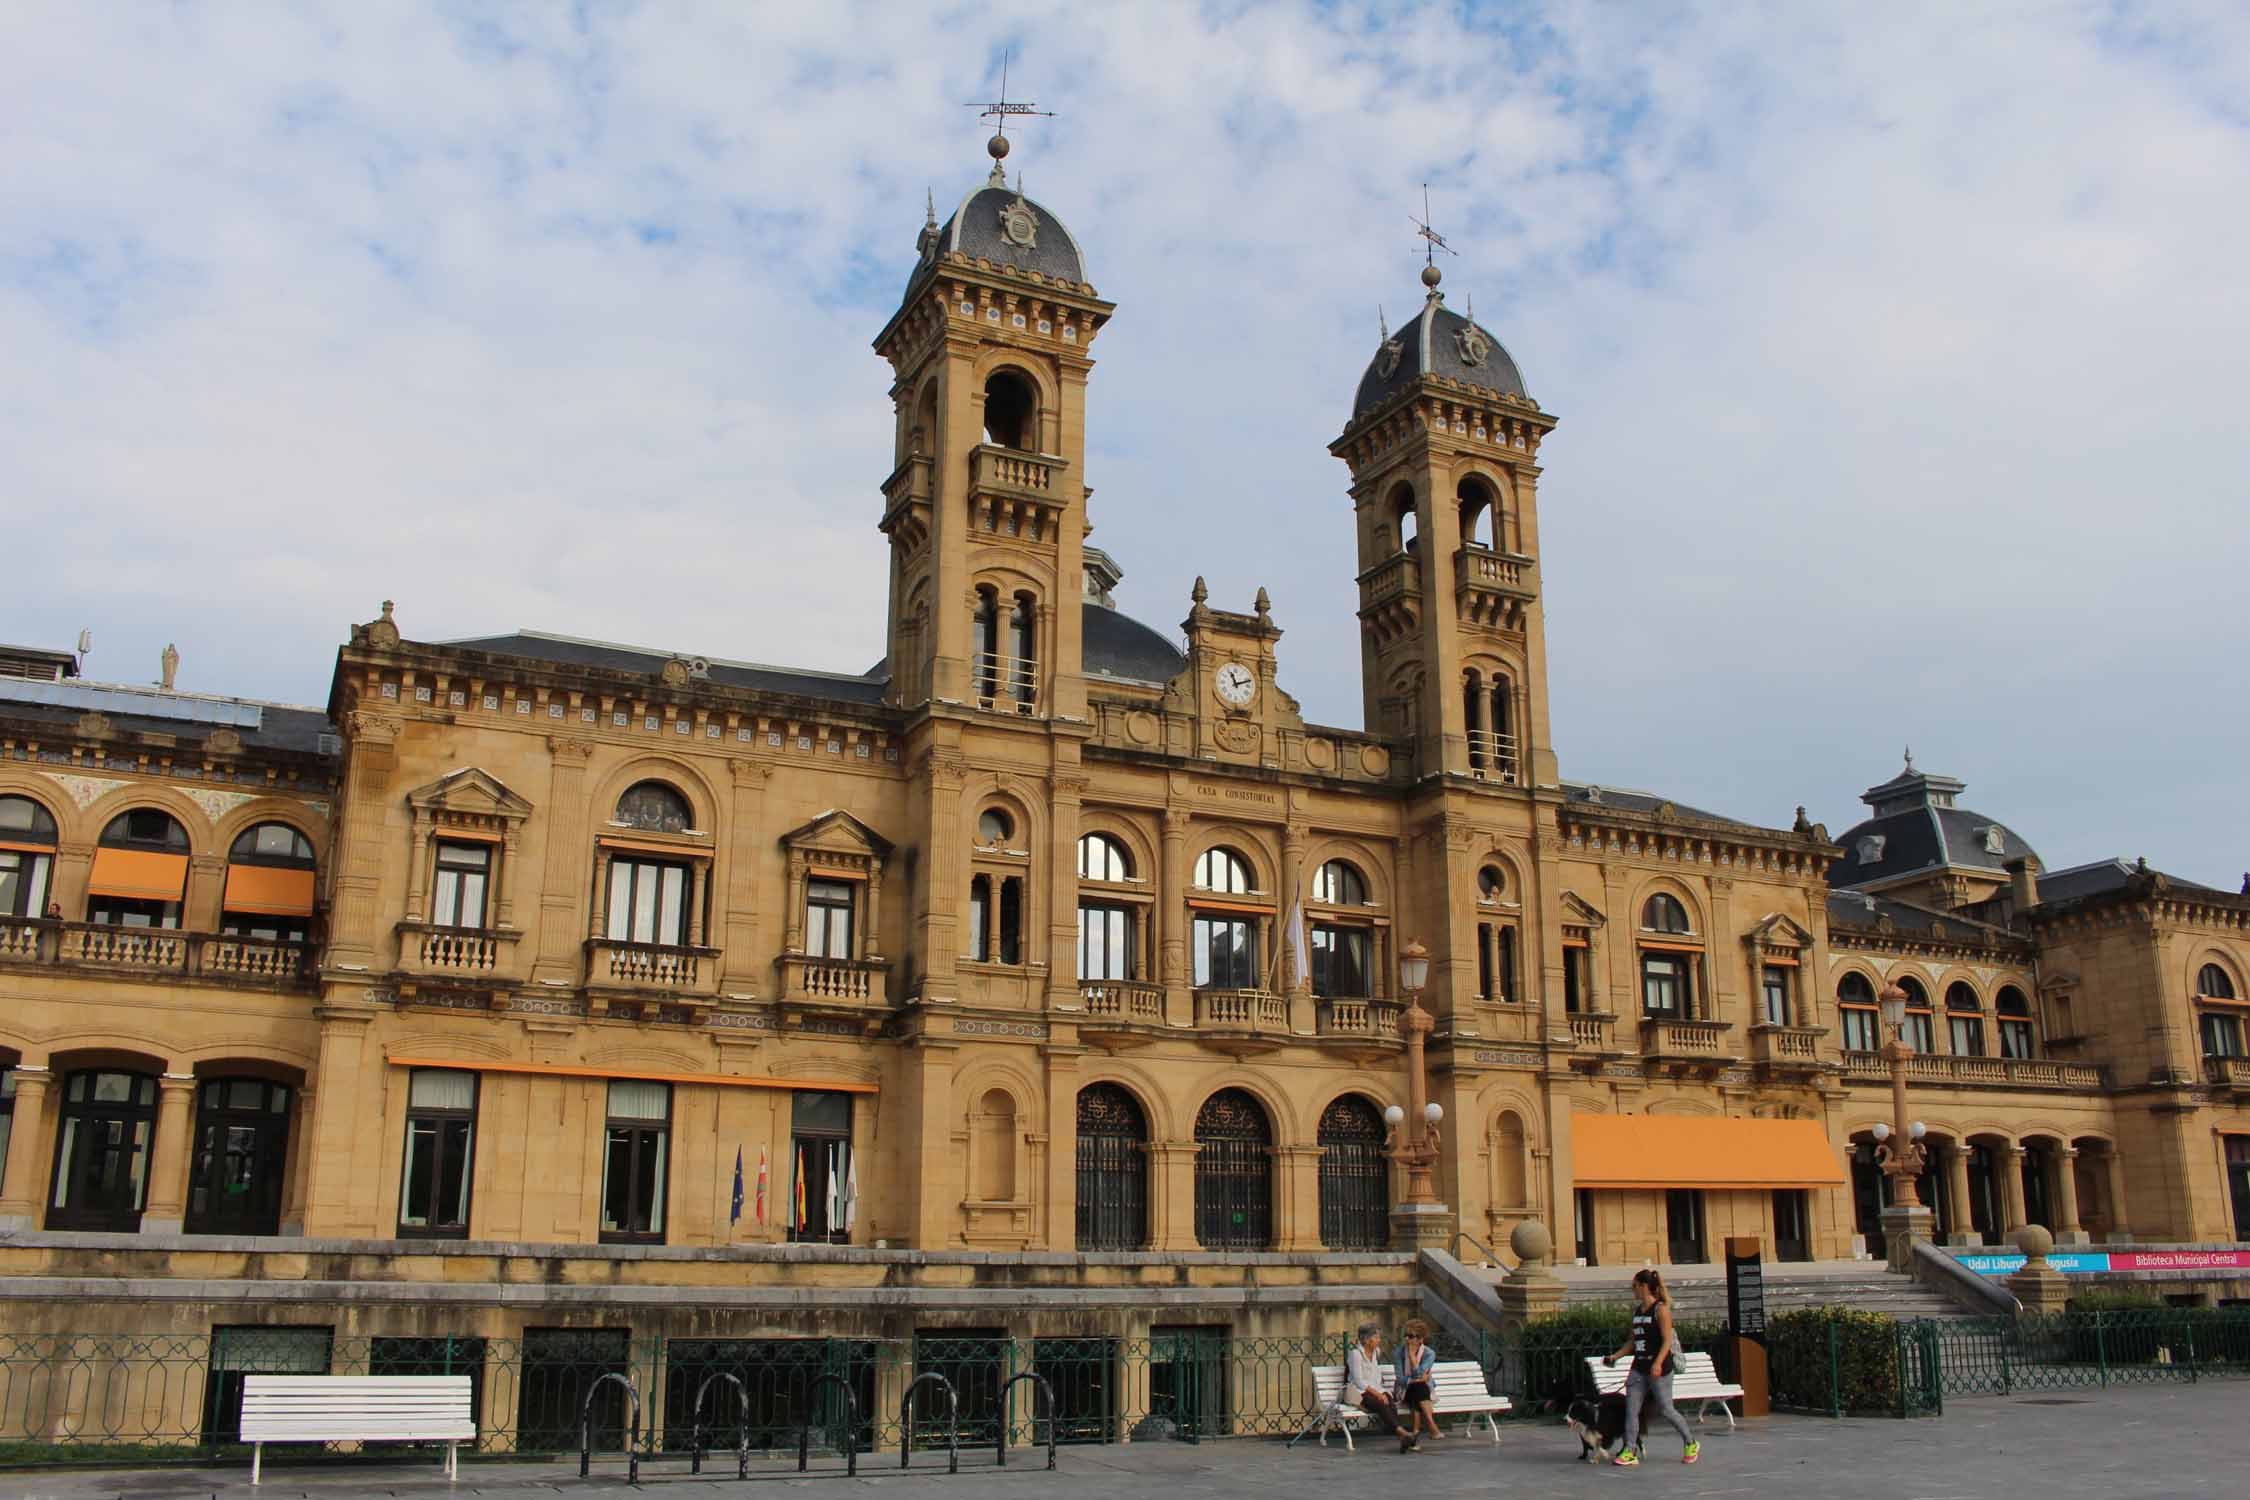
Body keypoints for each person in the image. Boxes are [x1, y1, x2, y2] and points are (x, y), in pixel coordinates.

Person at [1602, 1269, 1699, 1467]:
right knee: (1631, 1410)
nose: (1633, 1290)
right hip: (1639, 1367)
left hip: (1659, 1369)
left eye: (1634, 1286)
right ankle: (1630, 1449)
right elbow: (1632, 1341)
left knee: (1666, 1409)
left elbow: (1666, 1341)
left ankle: (1691, 1442)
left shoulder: (1660, 1310)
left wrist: (1657, 1363)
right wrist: (1615, 1356)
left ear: (1644, 1286)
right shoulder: (1637, 1312)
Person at [1343, 1321, 1416, 1453]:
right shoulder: (1355, 1354)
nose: (1379, 1340)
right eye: (1376, 1338)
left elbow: (1375, 1376)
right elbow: (1359, 1381)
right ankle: (1402, 1433)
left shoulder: (1376, 1352)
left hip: (1377, 1388)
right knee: (1381, 1403)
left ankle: (1402, 1437)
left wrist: (1382, 1393)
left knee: (1390, 1402)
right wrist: (1378, 1394)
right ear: (1366, 1340)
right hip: (1359, 1391)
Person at [1394, 1318, 1440, 1442]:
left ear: (1420, 1339)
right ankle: (1432, 1427)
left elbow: (1419, 1374)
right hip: (1404, 1390)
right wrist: (1415, 1380)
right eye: (1405, 1335)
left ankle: (1415, 1433)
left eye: (1410, 1336)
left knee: (1417, 1390)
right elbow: (1400, 1379)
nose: (1406, 1339)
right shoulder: (1399, 1352)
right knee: (1418, 1387)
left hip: (1422, 1390)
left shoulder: (1429, 1353)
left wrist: (1413, 1358)